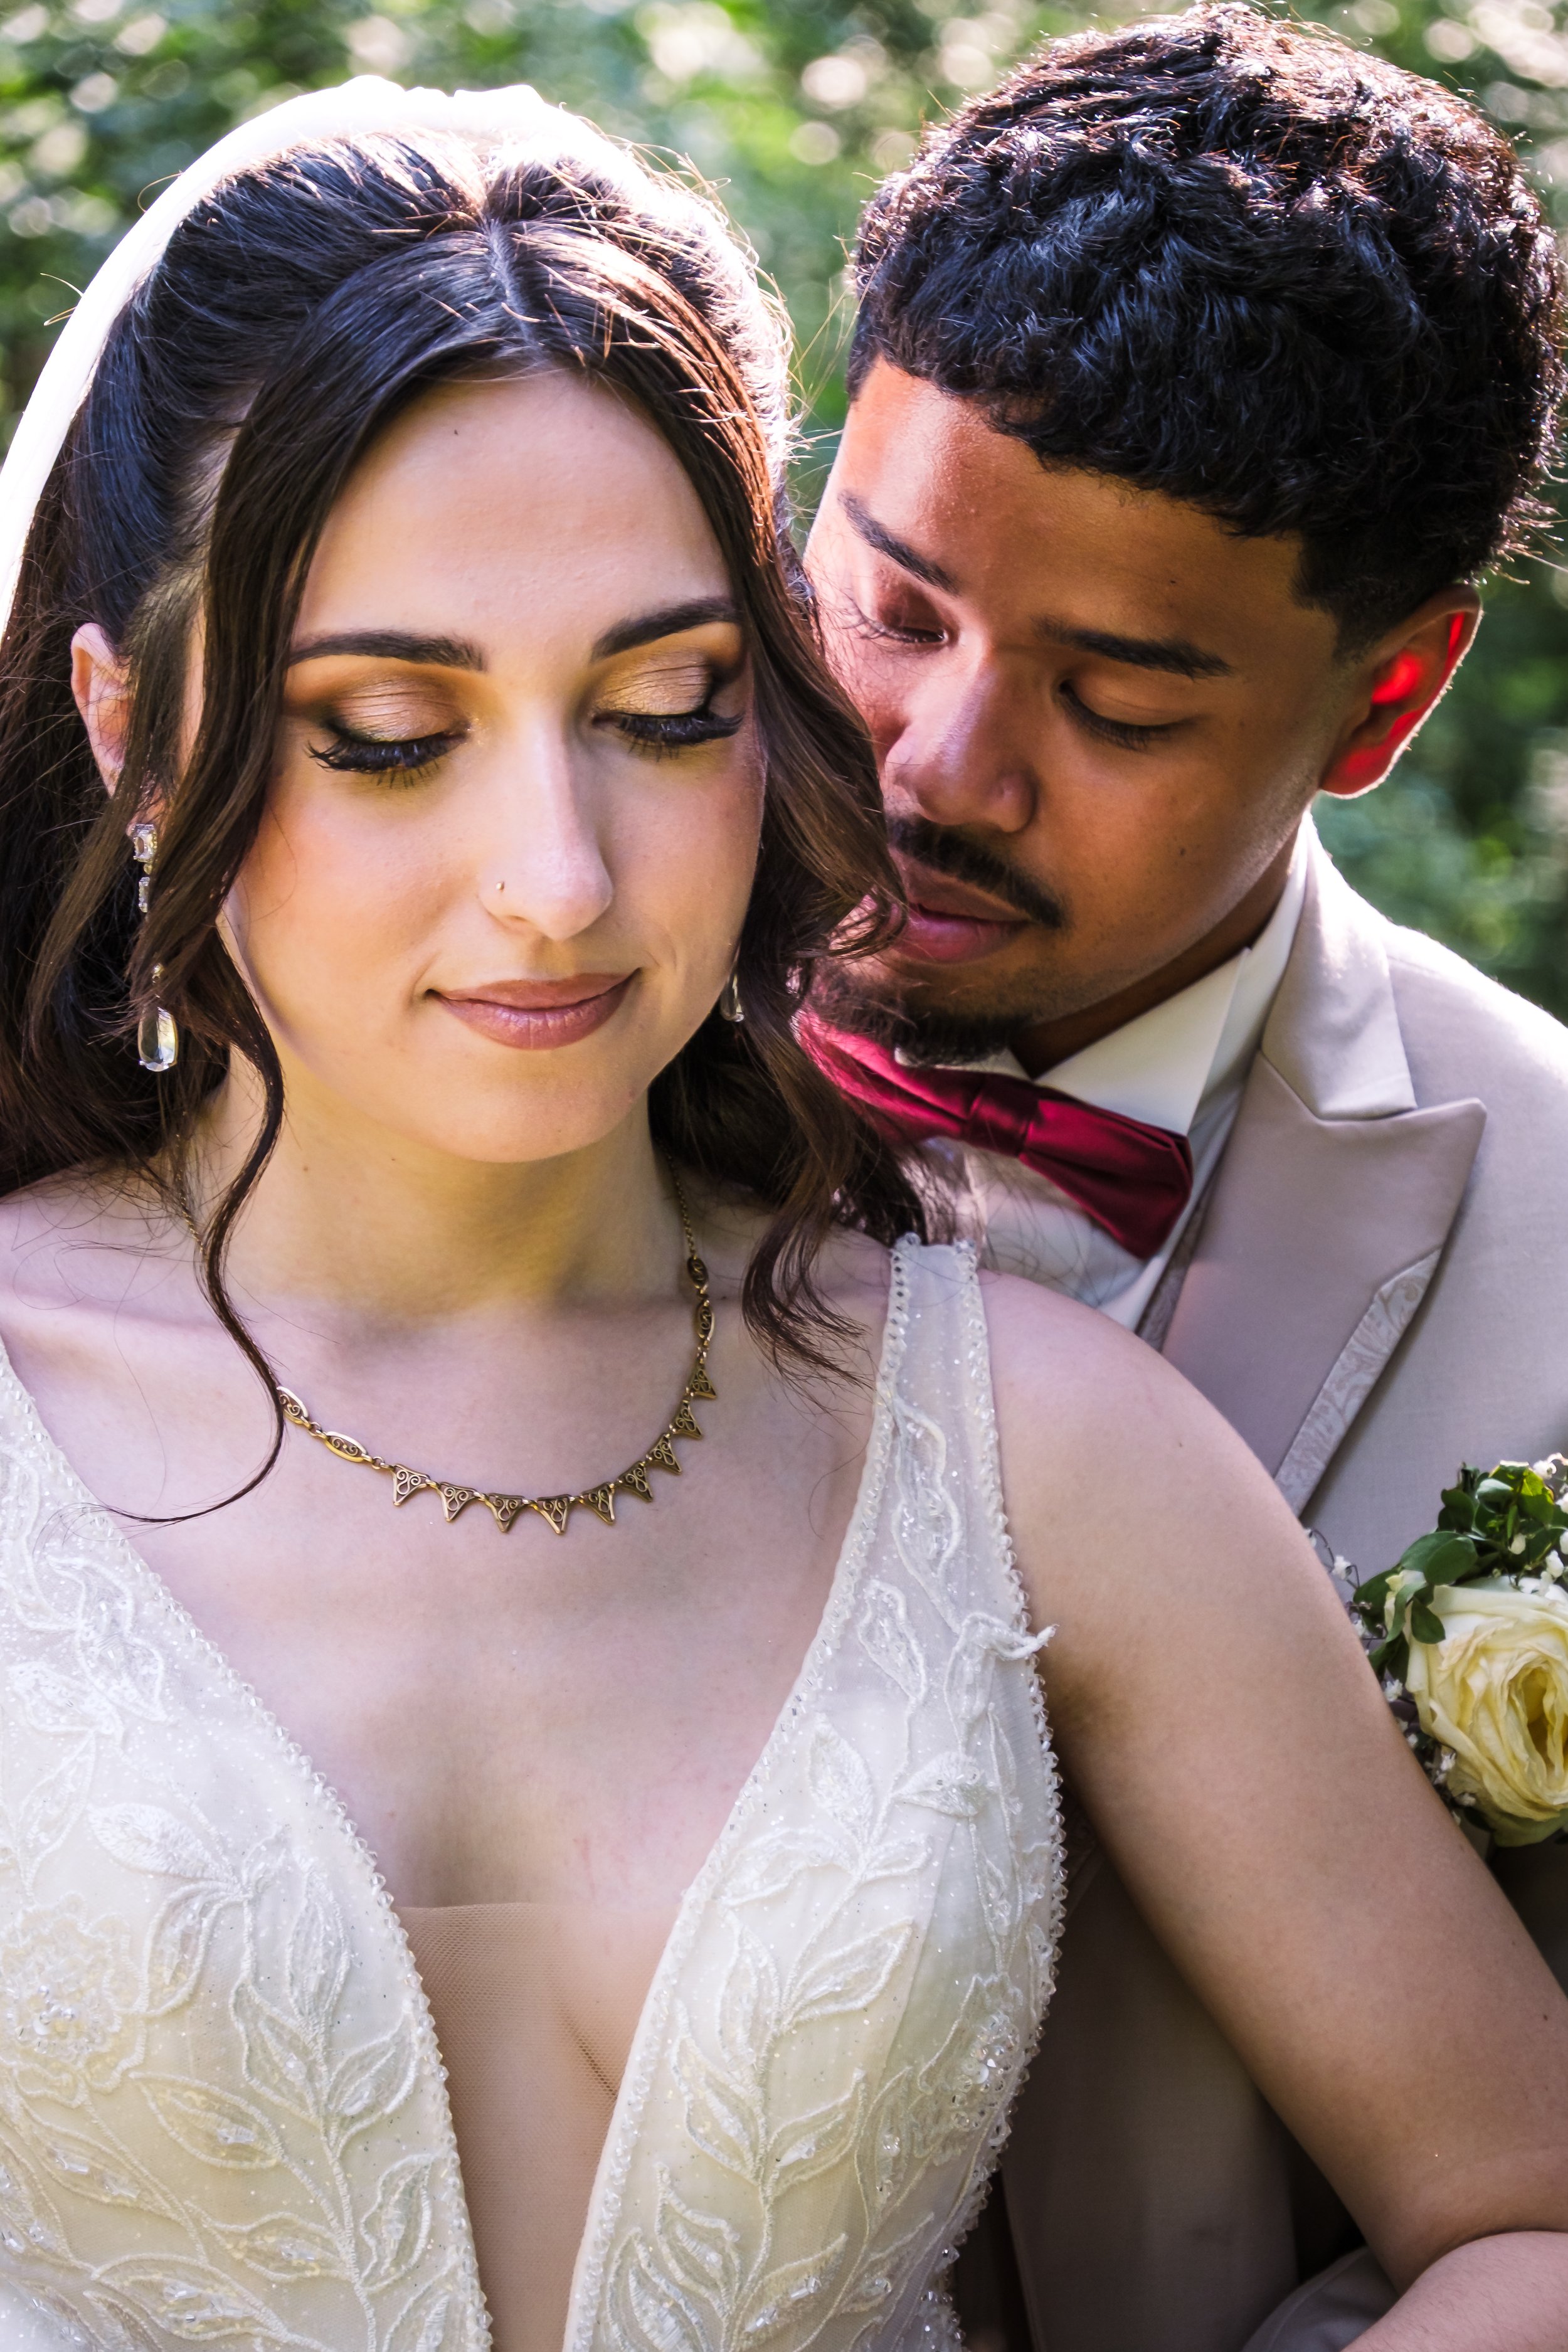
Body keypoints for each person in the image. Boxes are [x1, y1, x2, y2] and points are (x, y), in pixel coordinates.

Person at [0, 72, 1563, 2352]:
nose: (556, 884)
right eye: (386, 732)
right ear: (137, 735)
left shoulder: (1043, 1435)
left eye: (662, 706)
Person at [800, 7, 1568, 2348]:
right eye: (889, 602)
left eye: (1117, 704)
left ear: (1383, 700)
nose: (935, 764)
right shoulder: (442, 1040)